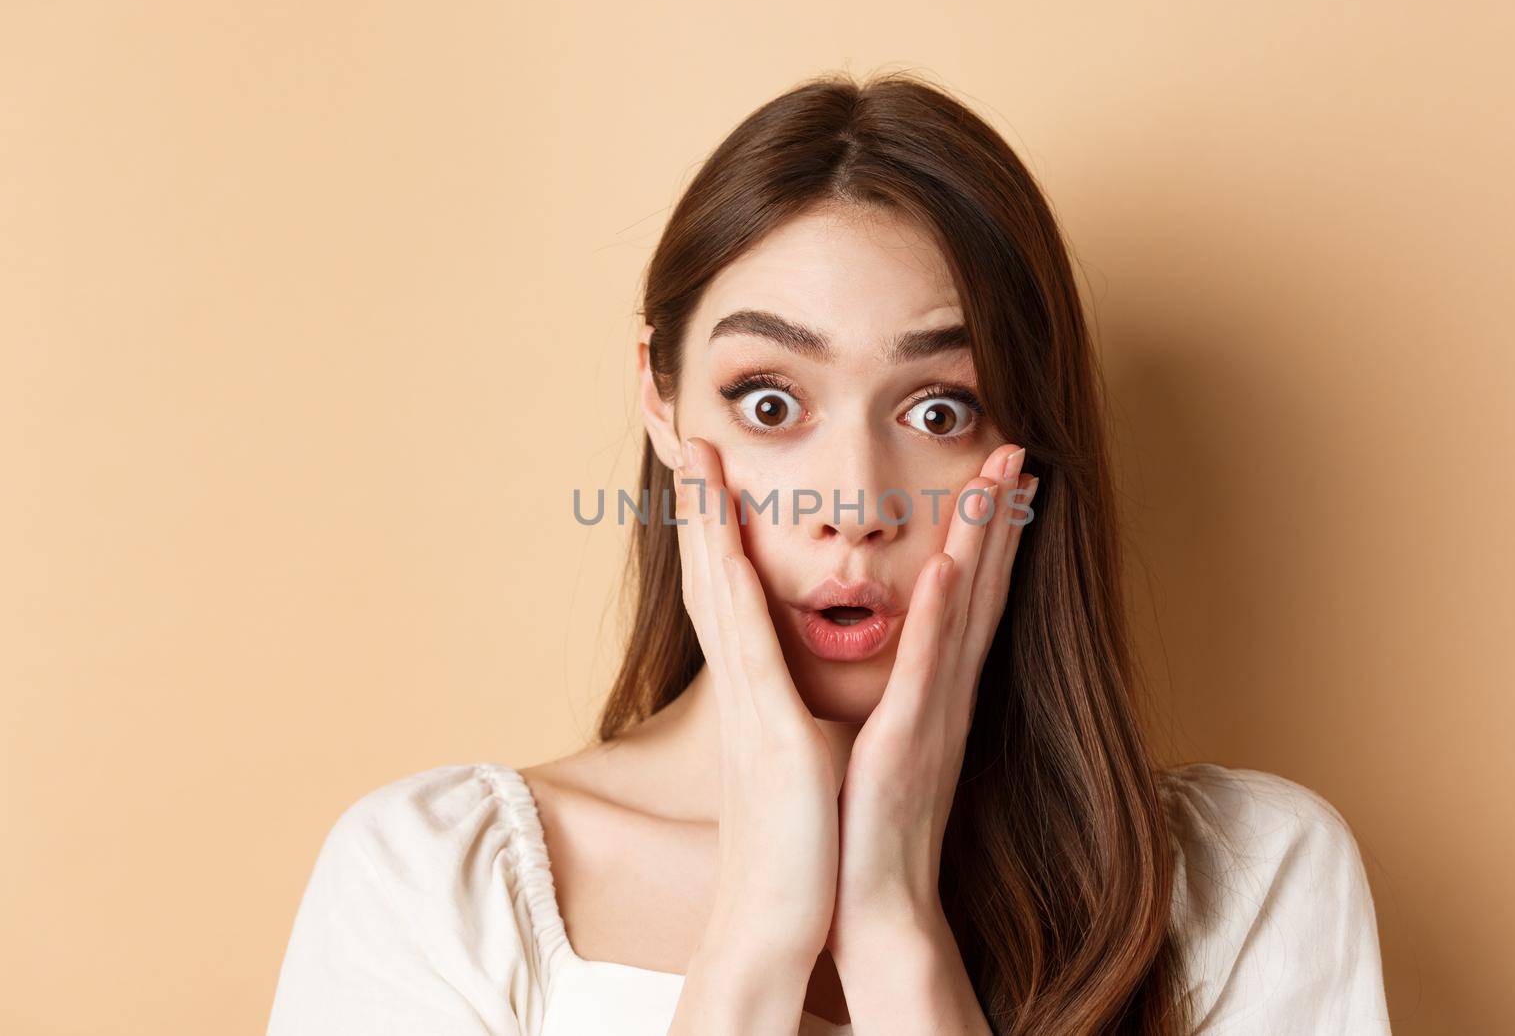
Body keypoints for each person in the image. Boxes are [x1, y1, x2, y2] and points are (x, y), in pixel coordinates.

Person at [266, 71, 1391, 1035]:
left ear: (1029, 445)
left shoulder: (1248, 876)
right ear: (660, 401)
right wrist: (760, 921)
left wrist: (899, 929)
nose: (852, 504)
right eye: (767, 401)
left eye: (941, 411)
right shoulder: (430, 876)